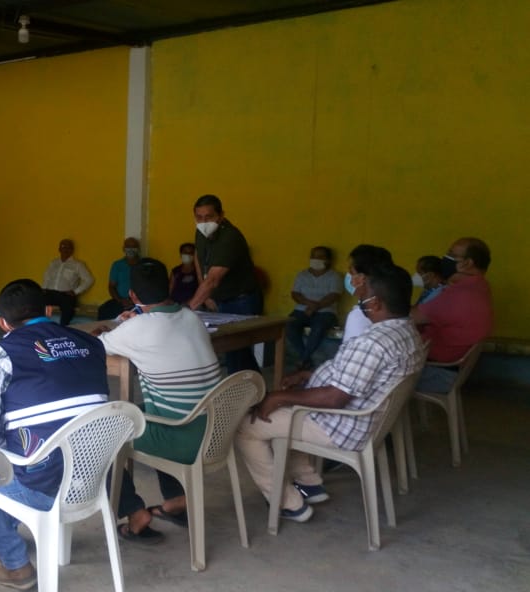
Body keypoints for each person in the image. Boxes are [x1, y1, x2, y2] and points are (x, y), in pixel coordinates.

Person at [234, 263, 424, 522]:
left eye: (364, 293)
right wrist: (309, 375)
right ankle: (309, 483)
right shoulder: (406, 331)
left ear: (377, 303)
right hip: (366, 420)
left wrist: (278, 397)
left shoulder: (372, 342)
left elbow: (335, 398)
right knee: (287, 406)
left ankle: (289, 504)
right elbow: (357, 376)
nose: (359, 297)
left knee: (247, 425)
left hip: (341, 426)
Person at [0, 279, 108, 590]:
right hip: (94, 477)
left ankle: (15, 564)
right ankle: (9, 526)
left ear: (3, 323)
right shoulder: (92, 343)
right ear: (48, 310)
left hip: (43, 487)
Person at [95, 259, 222, 543]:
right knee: (151, 411)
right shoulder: (191, 317)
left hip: (184, 439)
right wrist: (136, 322)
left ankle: (134, 512)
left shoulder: (137, 328)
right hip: (217, 430)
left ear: (132, 295)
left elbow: (96, 346)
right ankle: (176, 501)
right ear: (169, 288)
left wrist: (117, 328)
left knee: (100, 432)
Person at [187, 194, 262, 374]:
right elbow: (198, 257)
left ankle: (245, 388)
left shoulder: (230, 237)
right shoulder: (201, 232)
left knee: (237, 352)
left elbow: (213, 279)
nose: (203, 222)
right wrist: (206, 295)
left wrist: (188, 309)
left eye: (209, 217)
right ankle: (254, 386)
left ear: (221, 215)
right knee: (235, 352)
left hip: (242, 299)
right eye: (199, 217)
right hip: (221, 298)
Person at [411, 237, 493, 394]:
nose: (444, 259)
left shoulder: (460, 294)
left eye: (451, 254)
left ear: (467, 263)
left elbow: (410, 317)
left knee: (374, 373)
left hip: (438, 373)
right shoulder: (480, 286)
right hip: (450, 369)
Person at [286, 246, 342, 370]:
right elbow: (295, 294)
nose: (316, 259)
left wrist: (316, 307)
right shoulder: (302, 275)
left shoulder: (334, 276)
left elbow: (334, 295)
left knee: (319, 327)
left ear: (328, 260)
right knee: (288, 325)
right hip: (301, 310)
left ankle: (303, 360)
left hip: (326, 312)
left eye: (320, 257)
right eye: (313, 256)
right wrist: (308, 304)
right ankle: (305, 358)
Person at [341, 245, 393, 343]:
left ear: (362, 278)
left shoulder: (359, 316)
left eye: (351, 272)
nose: (349, 277)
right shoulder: (394, 310)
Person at [42, 238, 93, 326]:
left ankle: (63, 328)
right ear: (59, 249)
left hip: (65, 295)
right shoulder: (53, 263)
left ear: (72, 250)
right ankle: (42, 327)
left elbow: (89, 279)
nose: (65, 249)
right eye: (63, 247)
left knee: (68, 308)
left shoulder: (78, 264)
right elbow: (47, 277)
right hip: (50, 292)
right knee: (36, 302)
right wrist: (43, 288)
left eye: (68, 247)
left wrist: (75, 291)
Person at [97, 237, 141, 320]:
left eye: (133, 247)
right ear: (123, 249)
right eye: (128, 247)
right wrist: (121, 300)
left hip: (139, 302)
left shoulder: (143, 265)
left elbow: (147, 287)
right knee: (103, 310)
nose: (131, 249)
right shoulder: (117, 265)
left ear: (138, 249)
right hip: (120, 301)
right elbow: (111, 286)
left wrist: (135, 301)